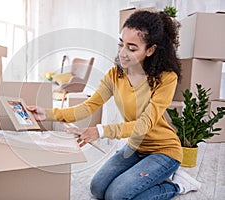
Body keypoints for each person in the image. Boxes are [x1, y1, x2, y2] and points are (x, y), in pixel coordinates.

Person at [27, 10, 201, 200]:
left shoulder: (166, 78)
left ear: (150, 50)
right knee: (97, 188)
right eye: (121, 44)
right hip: (135, 148)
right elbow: (88, 107)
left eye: (132, 48)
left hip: (164, 151)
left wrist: (100, 131)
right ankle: (148, 175)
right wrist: (47, 114)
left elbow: (144, 124)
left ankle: (178, 185)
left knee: (117, 196)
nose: (123, 53)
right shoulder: (115, 75)